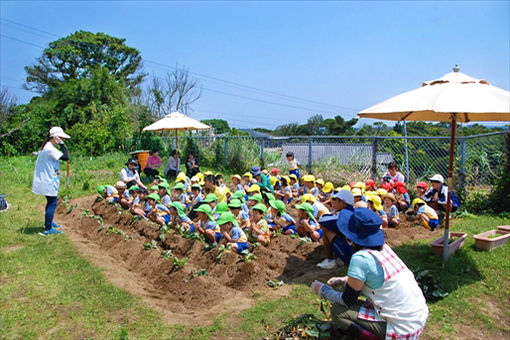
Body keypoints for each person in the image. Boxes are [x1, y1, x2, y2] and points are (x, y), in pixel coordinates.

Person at [311, 208, 428, 340]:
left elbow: (347, 300)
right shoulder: (385, 248)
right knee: (362, 304)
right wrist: (345, 280)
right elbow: (374, 277)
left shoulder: (360, 258)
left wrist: (323, 290)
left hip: (402, 330)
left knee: (338, 311)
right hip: (417, 318)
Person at [32, 127, 70, 236]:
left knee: (50, 202)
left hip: (48, 179)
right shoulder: (50, 148)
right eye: (60, 137)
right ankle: (48, 229)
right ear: (55, 137)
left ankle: (49, 222)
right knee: (53, 203)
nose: (62, 139)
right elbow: (66, 157)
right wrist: (62, 144)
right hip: (48, 180)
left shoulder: (48, 147)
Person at [316, 190, 355, 269]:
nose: (332, 202)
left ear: (342, 202)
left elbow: (322, 220)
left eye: (335, 200)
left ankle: (330, 261)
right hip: (360, 251)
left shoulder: (342, 215)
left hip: (352, 257)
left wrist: (333, 213)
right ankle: (339, 258)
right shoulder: (353, 211)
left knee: (326, 229)